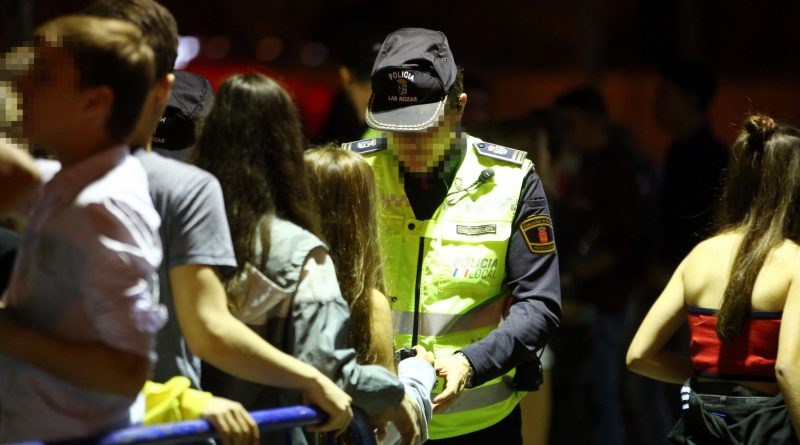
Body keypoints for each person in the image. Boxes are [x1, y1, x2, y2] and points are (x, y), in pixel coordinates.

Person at [82, 0, 353, 441]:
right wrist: (313, 380)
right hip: (165, 428)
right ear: (162, 86)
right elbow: (208, 329)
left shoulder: (44, 181)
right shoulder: (186, 188)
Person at [343, 28, 561, 443]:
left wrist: (470, 362)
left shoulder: (511, 180)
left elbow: (540, 304)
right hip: (375, 419)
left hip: (481, 424)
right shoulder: (353, 172)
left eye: (424, 127)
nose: (407, 143)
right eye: (395, 128)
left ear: (459, 106)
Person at [193, 73, 423, 445]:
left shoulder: (184, 237)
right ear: (288, 148)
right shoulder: (300, 253)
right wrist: (395, 391)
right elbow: (326, 369)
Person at [0, 15, 164, 441]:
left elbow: (126, 372)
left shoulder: (105, 206)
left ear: (95, 103)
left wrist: (9, 334)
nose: (21, 88)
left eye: (44, 76)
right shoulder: (68, 182)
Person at [626, 115, 800, 444]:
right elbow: (788, 368)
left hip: (703, 425)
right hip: (765, 428)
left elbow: (639, 356)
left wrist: (712, 375)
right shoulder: (794, 262)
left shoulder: (700, 255)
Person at [304, 145, 436, 442]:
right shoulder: (367, 303)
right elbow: (386, 426)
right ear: (362, 212)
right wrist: (418, 374)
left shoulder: (275, 288)